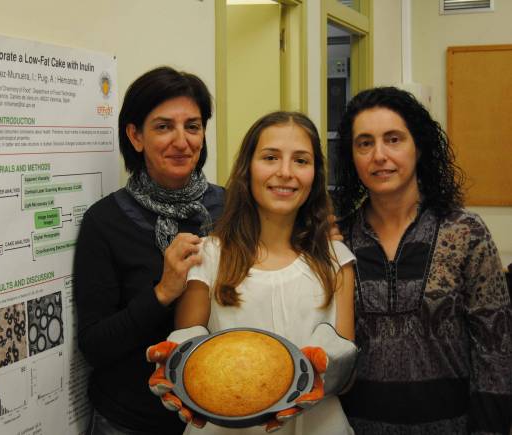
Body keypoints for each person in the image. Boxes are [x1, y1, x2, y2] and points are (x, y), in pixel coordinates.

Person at [148, 111, 357, 434]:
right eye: (270, 157)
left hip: (317, 425)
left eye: (301, 161)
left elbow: (344, 369)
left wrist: (325, 367)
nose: (285, 173)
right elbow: (191, 342)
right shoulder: (208, 256)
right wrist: (176, 358)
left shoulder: (336, 260)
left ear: (315, 174)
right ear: (248, 169)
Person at [333, 87, 512, 434]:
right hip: (352, 427)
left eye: (394, 139)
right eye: (364, 143)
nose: (379, 155)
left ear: (419, 146)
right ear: (351, 156)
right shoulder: (337, 240)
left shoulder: (465, 233)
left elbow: (496, 350)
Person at [74, 66, 225, 435]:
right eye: (163, 127)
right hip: (131, 421)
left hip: (220, 416)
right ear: (135, 136)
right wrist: (163, 293)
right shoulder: (105, 221)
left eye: (192, 126)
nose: (182, 141)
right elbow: (94, 346)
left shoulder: (232, 209)